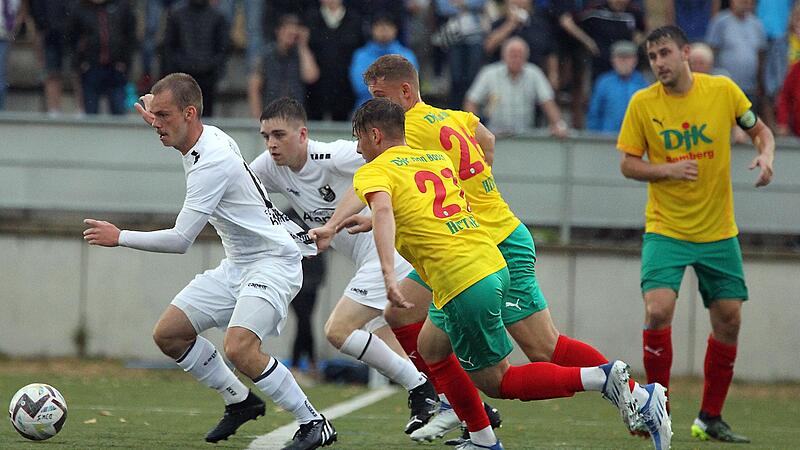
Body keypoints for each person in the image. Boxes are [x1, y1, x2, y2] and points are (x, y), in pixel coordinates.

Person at [311, 54, 670, 450]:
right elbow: (488, 140)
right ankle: (470, 423)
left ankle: (634, 393)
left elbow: (375, 183)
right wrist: (475, 189)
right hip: (473, 236)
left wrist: (334, 223)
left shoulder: (404, 131)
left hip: (490, 242)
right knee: (417, 330)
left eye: (381, 95)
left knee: (541, 348)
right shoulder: (450, 116)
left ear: (406, 92)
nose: (377, 104)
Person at [82, 73, 336, 450]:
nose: (156, 124)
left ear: (189, 113)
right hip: (239, 264)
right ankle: (240, 401)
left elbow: (181, 240)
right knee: (169, 334)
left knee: (239, 347)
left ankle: (313, 421)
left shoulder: (210, 162)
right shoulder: (205, 134)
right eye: (155, 116)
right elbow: (179, 117)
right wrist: (159, 113)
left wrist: (120, 237)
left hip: (273, 262)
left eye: (163, 116)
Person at [618, 25, 775, 444]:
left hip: (718, 231)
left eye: (665, 53)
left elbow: (761, 130)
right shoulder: (641, 103)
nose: (659, 64)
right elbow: (628, 163)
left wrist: (765, 154)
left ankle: (710, 417)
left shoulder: (722, 91)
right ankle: (657, 409)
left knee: (729, 319)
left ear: (685, 52)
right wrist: (665, 170)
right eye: (653, 58)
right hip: (666, 228)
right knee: (657, 310)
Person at [249, 97, 441, 435]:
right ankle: (469, 410)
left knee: (338, 330)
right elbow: (240, 190)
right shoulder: (268, 166)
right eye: (265, 136)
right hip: (370, 260)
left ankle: (422, 390)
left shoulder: (335, 155)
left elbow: (392, 157)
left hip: (388, 253)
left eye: (279, 135)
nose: (271, 144)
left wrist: (334, 225)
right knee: (397, 347)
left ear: (303, 134)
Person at [464, 37, 567, 137]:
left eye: (520, 55)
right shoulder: (489, 73)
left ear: (526, 57)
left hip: (525, 137)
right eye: (513, 55)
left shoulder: (534, 73)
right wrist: (474, 128)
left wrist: (559, 125)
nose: (516, 59)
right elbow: (471, 101)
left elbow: (548, 102)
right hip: (494, 136)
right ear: (504, 55)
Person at [67, 0, 137, 115]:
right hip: (90, 68)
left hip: (116, 68)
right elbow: (71, 39)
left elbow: (130, 36)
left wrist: (125, 62)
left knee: (119, 114)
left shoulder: (122, 7)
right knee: (91, 115)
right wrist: (81, 63)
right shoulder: (80, 9)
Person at [161, 0, 229, 117]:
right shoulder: (176, 14)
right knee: (181, 115)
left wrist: (212, 66)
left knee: (205, 118)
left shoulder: (218, 17)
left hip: (208, 75)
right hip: (182, 76)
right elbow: (169, 46)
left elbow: (223, 48)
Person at [247, 14, 319, 119]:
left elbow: (311, 76)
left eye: (293, 34)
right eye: (287, 32)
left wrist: (303, 46)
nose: (290, 37)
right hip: (271, 113)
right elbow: (254, 87)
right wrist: (258, 117)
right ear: (278, 31)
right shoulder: (266, 56)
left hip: (295, 116)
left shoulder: (301, 55)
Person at [705, 0, 768, 113]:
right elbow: (711, 52)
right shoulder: (720, 21)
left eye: (749, 1)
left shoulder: (757, 24)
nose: (746, 3)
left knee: (748, 125)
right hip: (726, 88)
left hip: (750, 88)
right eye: (743, 1)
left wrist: (760, 83)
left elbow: (761, 55)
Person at [349, 14, 418, 110]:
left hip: (400, 111)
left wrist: (379, 87)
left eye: (388, 26)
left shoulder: (407, 54)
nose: (384, 30)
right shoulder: (361, 55)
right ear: (372, 30)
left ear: (395, 29)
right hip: (367, 110)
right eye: (379, 26)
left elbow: (411, 86)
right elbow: (359, 86)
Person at [587, 40, 648, 134]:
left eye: (627, 57)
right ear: (612, 60)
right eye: (620, 57)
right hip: (606, 140)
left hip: (635, 142)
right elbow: (594, 114)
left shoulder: (643, 84)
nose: (623, 61)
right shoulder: (603, 82)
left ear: (635, 60)